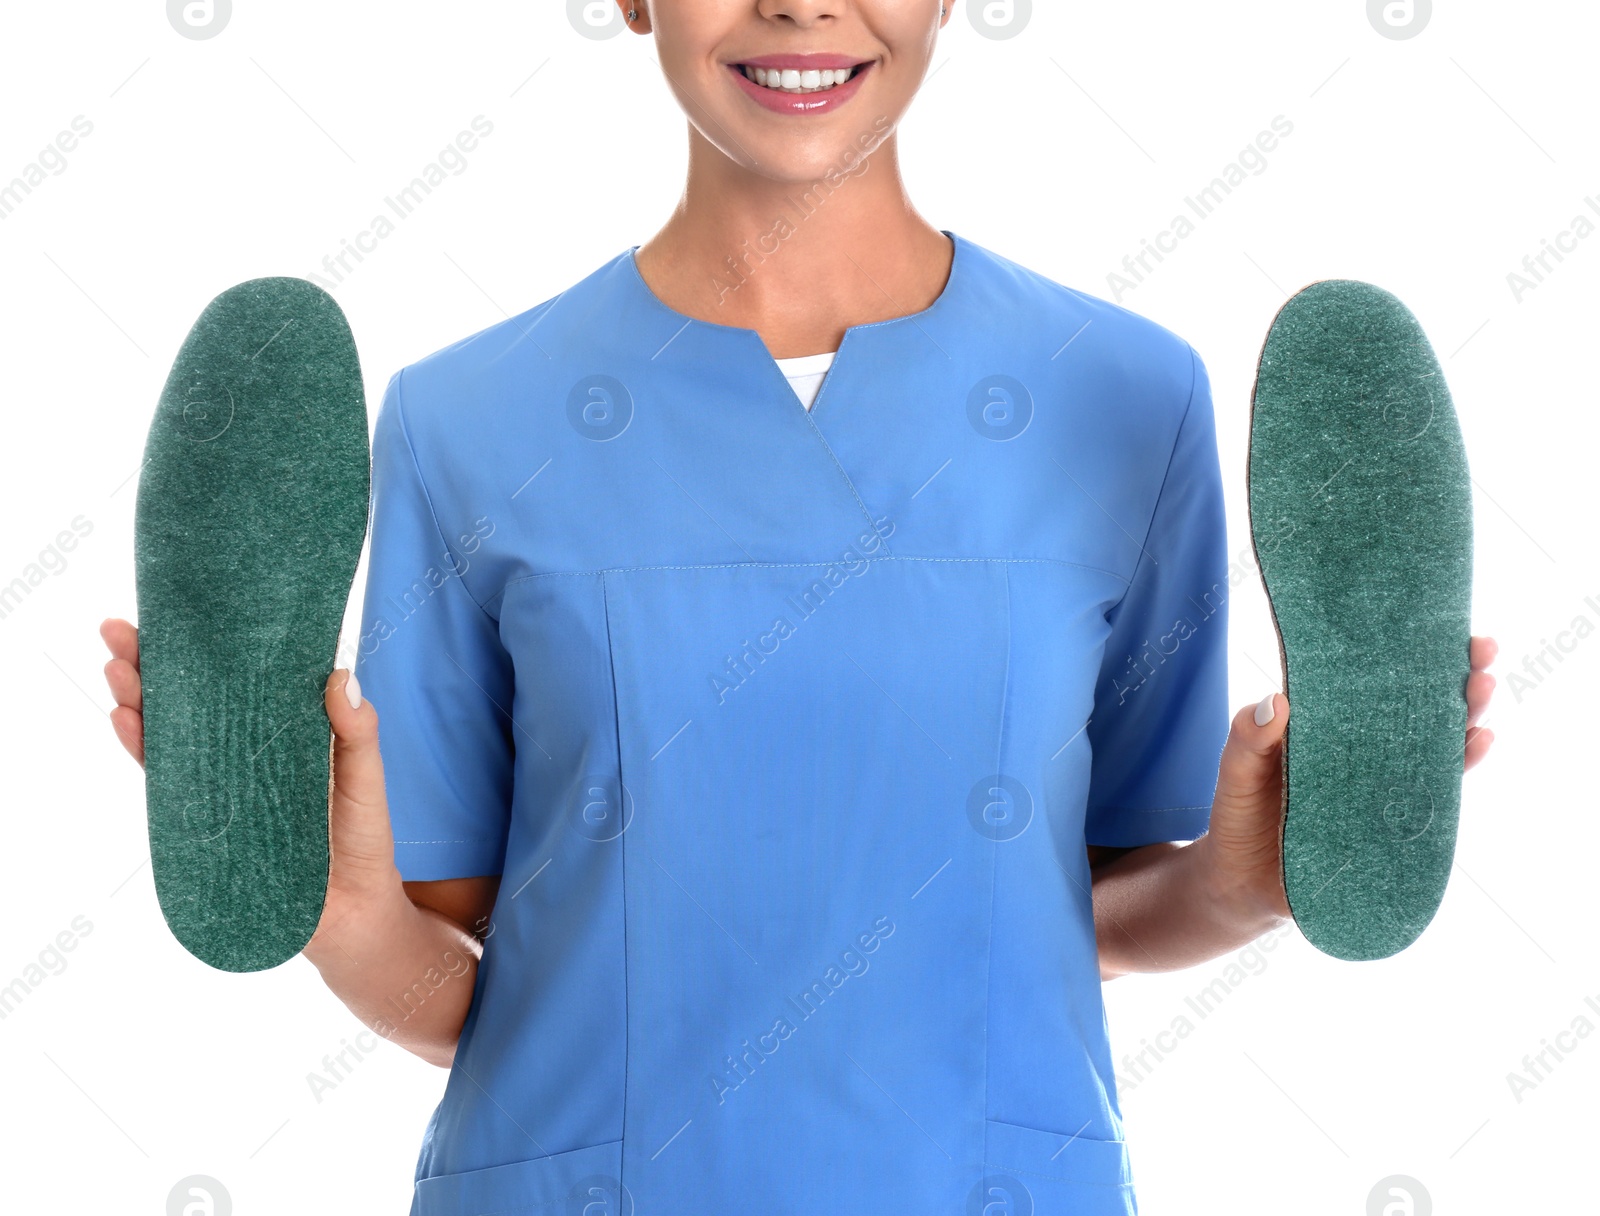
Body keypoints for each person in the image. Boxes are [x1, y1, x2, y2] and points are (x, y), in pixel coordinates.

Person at [99, 1, 1498, 1211]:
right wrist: (332, 907)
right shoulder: (468, 421)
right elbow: (484, 986)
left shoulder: (1128, 401)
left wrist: (1248, 884)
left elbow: (1077, 912)